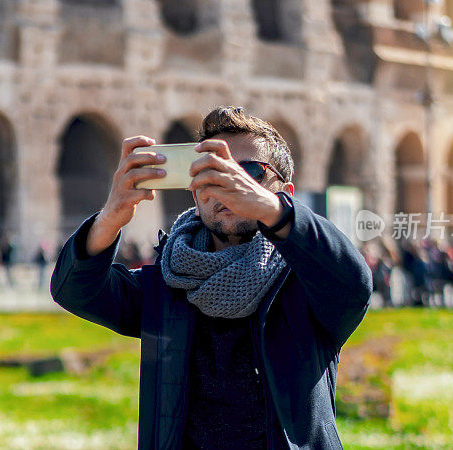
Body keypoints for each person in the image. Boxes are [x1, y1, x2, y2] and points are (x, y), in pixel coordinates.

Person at [51, 106, 373, 449]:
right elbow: (75, 290)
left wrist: (267, 208)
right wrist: (110, 218)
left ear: (285, 194)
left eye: (248, 172)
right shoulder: (168, 283)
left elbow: (353, 284)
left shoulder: (305, 282)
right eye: (211, 173)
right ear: (195, 193)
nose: (227, 185)